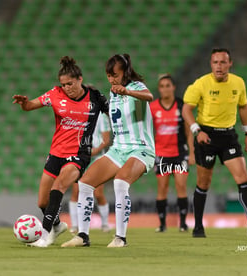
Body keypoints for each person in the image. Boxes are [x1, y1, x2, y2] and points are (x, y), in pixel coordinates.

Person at [12, 56, 109, 247]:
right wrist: (24, 103)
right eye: (63, 85)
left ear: (80, 79)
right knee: (42, 202)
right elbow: (30, 106)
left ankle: (44, 237)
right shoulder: (55, 94)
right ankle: (56, 226)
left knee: (58, 187)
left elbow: (114, 113)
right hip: (56, 153)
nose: (67, 88)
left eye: (70, 84)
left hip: (79, 154)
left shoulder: (95, 98)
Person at [62, 53, 155, 248]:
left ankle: (120, 238)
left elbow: (149, 96)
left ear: (125, 73)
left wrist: (128, 92)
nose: (112, 79)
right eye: (109, 75)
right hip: (118, 149)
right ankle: (82, 236)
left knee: (121, 182)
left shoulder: (135, 87)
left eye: (115, 75)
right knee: (85, 183)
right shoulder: (113, 92)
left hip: (140, 149)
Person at [182, 48, 247, 238]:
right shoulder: (201, 84)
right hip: (206, 135)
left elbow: (243, 106)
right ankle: (198, 227)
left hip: (229, 136)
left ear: (230, 64)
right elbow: (186, 110)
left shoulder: (238, 83)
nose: (219, 66)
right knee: (203, 182)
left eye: (223, 62)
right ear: (210, 64)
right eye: (215, 62)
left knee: (243, 179)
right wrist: (197, 131)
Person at [149, 74, 194, 233]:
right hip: (161, 153)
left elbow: (188, 131)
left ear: (173, 87)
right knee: (162, 187)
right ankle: (162, 224)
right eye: (162, 86)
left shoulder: (182, 106)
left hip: (180, 153)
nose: (165, 89)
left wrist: (192, 152)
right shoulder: (153, 107)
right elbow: (148, 130)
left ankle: (182, 223)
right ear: (159, 89)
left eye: (168, 85)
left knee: (181, 186)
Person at [69, 111, 111, 233]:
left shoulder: (102, 116)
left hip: (96, 159)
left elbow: (106, 140)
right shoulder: (76, 114)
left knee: (98, 193)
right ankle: (75, 225)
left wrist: (94, 151)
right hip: (81, 158)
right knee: (76, 192)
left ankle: (105, 224)